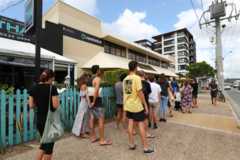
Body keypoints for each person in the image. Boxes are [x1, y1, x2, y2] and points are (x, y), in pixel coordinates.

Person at [123, 61, 154, 153]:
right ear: (136, 67)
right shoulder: (137, 78)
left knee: (130, 125)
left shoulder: (126, 79)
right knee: (141, 126)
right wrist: (145, 105)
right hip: (136, 106)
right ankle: (145, 147)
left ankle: (131, 144)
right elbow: (140, 93)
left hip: (128, 105)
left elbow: (128, 92)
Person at [29, 69, 60, 160]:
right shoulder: (52, 88)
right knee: (48, 147)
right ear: (51, 78)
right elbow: (55, 105)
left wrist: (39, 102)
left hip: (39, 120)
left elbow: (31, 105)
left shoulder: (34, 88)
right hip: (49, 121)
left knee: (44, 144)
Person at [88, 65, 112, 146]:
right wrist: (94, 102)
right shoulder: (97, 79)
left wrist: (90, 102)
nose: (100, 71)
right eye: (99, 70)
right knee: (101, 120)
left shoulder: (88, 79)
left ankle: (93, 137)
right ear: (97, 70)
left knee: (92, 119)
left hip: (90, 101)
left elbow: (87, 92)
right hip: (96, 101)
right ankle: (102, 140)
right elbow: (96, 91)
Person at [137, 71, 154, 138]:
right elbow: (149, 92)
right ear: (143, 75)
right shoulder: (147, 83)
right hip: (145, 102)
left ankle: (135, 131)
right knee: (145, 118)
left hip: (137, 102)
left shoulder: (136, 82)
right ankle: (146, 133)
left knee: (136, 117)